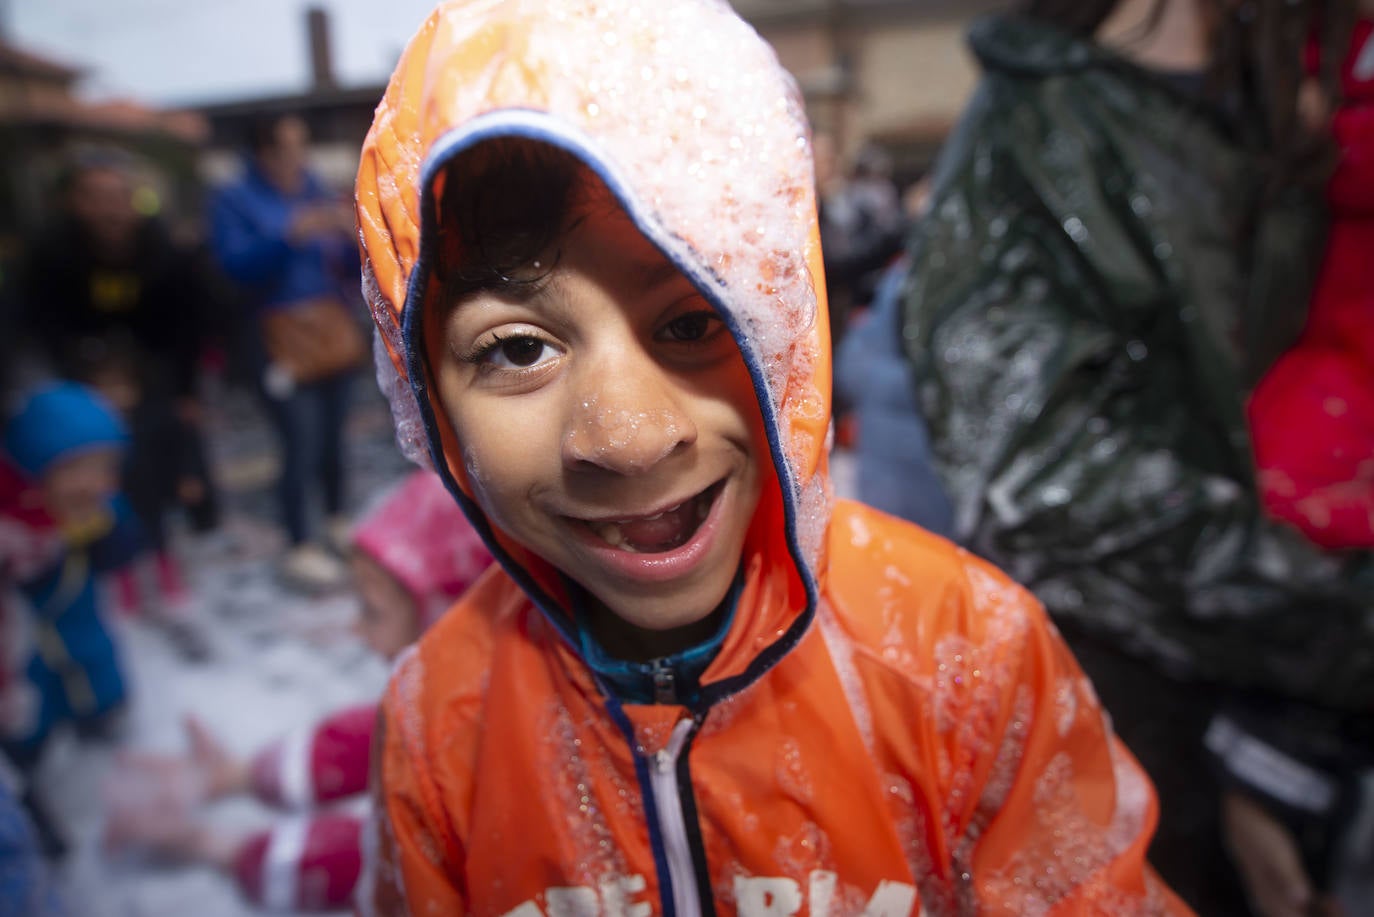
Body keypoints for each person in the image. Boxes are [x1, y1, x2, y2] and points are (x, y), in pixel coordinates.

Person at [352, 1, 1192, 912]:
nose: (630, 437)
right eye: (518, 349)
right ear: (424, 389)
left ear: (787, 320)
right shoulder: (441, 725)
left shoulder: (965, 660)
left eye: (694, 320)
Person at [897, 1, 1373, 914]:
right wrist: (1342, 620)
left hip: (1286, 725)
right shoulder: (1041, 127)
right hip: (1137, 729)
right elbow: (1042, 483)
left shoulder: (1292, 94)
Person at [100, 469, 492, 911]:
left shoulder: (481, 767)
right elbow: (375, 739)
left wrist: (220, 849)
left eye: (372, 611)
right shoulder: (470, 694)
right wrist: (238, 776)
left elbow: (370, 859)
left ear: (453, 620)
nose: (357, 630)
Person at [23, 150, 219, 621]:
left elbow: (188, 325)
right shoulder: (51, 256)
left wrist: (186, 390)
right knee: (108, 484)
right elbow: (40, 327)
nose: (111, 209)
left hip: (154, 382)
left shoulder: (166, 253)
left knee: (157, 472)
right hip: (85, 388)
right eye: (97, 197)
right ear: (76, 203)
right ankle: (116, 564)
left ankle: (163, 554)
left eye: (119, 196)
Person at [210, 114, 364, 592]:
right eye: (286, 148)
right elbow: (233, 268)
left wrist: (346, 233)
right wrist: (289, 235)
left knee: (336, 434)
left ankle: (338, 521)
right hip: (275, 337)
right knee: (299, 440)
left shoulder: (314, 188)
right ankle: (300, 543)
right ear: (263, 153)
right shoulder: (232, 199)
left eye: (301, 146)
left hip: (330, 328)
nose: (296, 157)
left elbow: (344, 266)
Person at [1, 383, 141, 859]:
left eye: (106, 467)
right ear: (36, 469)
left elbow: (124, 552)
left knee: (96, 664)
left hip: (83, 626)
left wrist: (105, 530)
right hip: (28, 651)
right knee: (32, 710)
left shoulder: (100, 506)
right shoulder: (14, 524)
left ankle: (103, 714)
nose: (97, 482)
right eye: (78, 469)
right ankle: (30, 778)